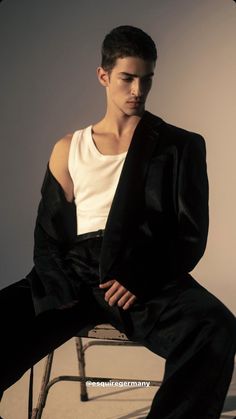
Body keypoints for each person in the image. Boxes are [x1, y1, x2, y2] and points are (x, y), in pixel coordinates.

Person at [0, 25, 235, 419]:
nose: (137, 91)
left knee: (216, 327)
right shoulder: (67, 148)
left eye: (147, 79)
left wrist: (142, 276)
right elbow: (48, 235)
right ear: (103, 76)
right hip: (74, 275)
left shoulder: (180, 146)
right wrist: (58, 292)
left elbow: (190, 235)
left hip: (141, 273)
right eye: (127, 78)